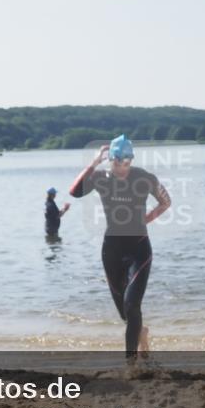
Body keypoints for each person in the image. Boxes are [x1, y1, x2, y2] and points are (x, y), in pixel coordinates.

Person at [69, 135, 170, 359]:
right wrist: (94, 161)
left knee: (132, 304)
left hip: (139, 249)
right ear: (110, 160)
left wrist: (147, 219)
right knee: (125, 313)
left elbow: (166, 202)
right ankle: (141, 333)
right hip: (112, 250)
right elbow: (74, 191)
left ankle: (130, 364)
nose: (122, 167)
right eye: (117, 162)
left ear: (131, 160)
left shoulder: (144, 177)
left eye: (126, 162)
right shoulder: (100, 177)